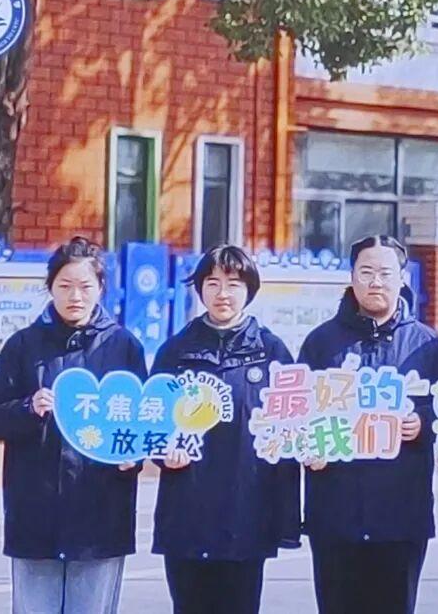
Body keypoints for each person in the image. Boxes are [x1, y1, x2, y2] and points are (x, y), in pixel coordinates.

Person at [0, 236, 147, 614]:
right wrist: (28, 407)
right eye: (65, 285)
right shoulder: (23, 345)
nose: (75, 296)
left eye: (85, 286)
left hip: (101, 515)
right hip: (36, 513)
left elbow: (143, 421)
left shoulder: (123, 346)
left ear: (101, 288)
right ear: (50, 287)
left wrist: (133, 457)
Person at [298, 234, 438, 614]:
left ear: (402, 278)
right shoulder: (322, 343)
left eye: (385, 273)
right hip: (335, 515)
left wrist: (423, 423)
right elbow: (296, 414)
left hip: (401, 516)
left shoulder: (428, 345)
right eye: (366, 272)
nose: (375, 282)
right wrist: (308, 448)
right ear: (351, 277)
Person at [151, 244, 300, 614]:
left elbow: (290, 431)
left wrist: (284, 521)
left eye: (234, 284)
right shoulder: (176, 351)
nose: (223, 293)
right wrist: (163, 453)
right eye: (213, 283)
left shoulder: (271, 352)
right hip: (187, 511)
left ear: (249, 290)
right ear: (200, 288)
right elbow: (151, 420)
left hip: (246, 512)